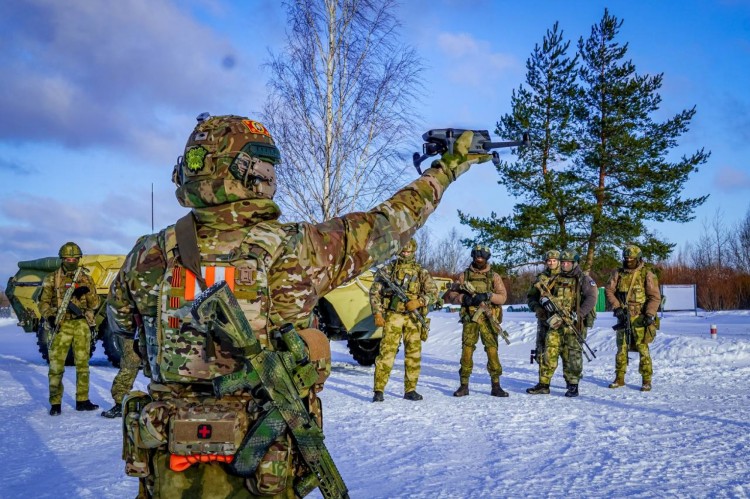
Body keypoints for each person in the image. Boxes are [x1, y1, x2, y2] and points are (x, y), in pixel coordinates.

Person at [107, 113, 491, 497]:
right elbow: (390, 224)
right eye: (266, 168)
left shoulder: (146, 254)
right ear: (250, 174)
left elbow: (125, 332)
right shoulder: (300, 248)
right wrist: (448, 168)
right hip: (263, 466)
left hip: (169, 464)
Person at [369, 238, 437, 402]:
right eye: (403, 251)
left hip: (413, 318)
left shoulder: (421, 272)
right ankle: (379, 390)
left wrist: (420, 302)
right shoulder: (388, 270)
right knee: (386, 354)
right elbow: (374, 292)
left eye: (408, 252)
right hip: (393, 316)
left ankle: (410, 390)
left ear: (413, 252)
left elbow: (434, 293)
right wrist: (377, 313)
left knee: (413, 355)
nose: (405, 254)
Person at [39, 242, 100, 416]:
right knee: (56, 366)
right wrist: (50, 316)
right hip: (61, 324)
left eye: (74, 258)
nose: (71, 261)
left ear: (79, 259)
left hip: (81, 324)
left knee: (83, 365)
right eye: (68, 258)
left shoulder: (86, 277)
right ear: (62, 259)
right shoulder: (52, 278)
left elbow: (95, 304)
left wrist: (85, 292)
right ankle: (55, 403)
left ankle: (82, 400)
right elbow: (43, 302)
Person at [526, 250, 597, 397]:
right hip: (555, 323)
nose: (564, 265)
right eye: (562, 262)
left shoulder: (583, 279)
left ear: (574, 263)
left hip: (574, 324)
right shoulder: (555, 278)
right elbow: (540, 295)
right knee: (549, 351)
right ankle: (543, 384)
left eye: (567, 263)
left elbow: (591, 298)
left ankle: (572, 385)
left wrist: (579, 314)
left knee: (572, 354)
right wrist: (543, 303)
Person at [443, 244, 509, 397]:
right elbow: (451, 296)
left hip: (488, 318)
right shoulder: (463, 276)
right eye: (477, 255)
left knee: (492, 351)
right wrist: (463, 298)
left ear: (487, 258)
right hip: (470, 319)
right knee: (467, 351)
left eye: (483, 256)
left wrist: (488, 296)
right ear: (473, 256)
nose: (480, 258)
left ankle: (496, 385)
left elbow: (502, 297)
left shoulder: (494, 276)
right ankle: (464, 385)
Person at [604, 244, 661, 391]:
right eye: (626, 258)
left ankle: (646, 379)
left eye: (631, 258)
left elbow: (655, 297)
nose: (628, 260)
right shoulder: (618, 273)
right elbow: (609, 291)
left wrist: (649, 314)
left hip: (641, 317)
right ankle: (619, 378)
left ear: (638, 258)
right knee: (621, 348)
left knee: (643, 349)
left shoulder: (646, 274)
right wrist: (617, 307)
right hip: (623, 316)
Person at [527, 250, 561, 374]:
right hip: (544, 319)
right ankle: (543, 381)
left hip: (562, 319)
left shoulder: (566, 276)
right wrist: (537, 308)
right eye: (549, 261)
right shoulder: (541, 278)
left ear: (559, 261)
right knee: (541, 350)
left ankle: (570, 381)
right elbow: (531, 298)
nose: (551, 263)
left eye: (554, 260)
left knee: (566, 350)